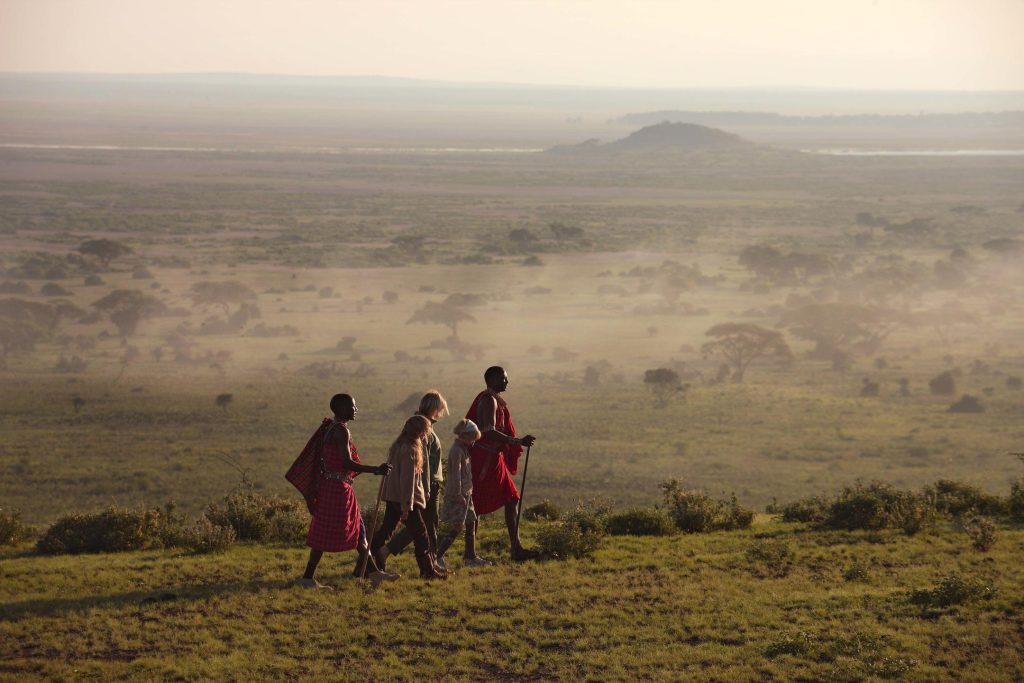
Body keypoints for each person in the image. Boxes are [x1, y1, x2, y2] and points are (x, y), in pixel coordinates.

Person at [300, 393, 395, 589]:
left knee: (357, 529)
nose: (356, 409)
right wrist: (376, 470)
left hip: (334, 487)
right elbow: (346, 462)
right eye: (353, 406)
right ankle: (308, 578)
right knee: (335, 531)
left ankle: (374, 573)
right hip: (337, 489)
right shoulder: (340, 431)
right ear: (342, 408)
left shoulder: (332, 427)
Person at [465, 366, 537, 562]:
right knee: (475, 505)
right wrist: (517, 441)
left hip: (493, 458)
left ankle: (516, 548)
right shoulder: (488, 400)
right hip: (484, 459)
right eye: (504, 378)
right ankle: (470, 554)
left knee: (511, 498)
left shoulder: (494, 399)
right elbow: (487, 431)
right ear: (493, 378)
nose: (507, 382)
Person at [374, 391, 447, 573]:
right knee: (422, 533)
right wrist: (410, 504)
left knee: (387, 530)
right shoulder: (412, 447)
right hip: (410, 495)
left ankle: (367, 562)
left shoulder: (402, 442)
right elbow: (411, 476)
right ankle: (428, 570)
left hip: (399, 496)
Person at [434, 418, 491, 570]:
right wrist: (458, 494)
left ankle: (470, 556)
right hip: (459, 495)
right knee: (457, 527)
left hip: (467, 493)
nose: (474, 441)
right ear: (465, 437)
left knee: (471, 523)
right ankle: (437, 556)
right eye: (472, 438)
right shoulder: (457, 451)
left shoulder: (463, 449)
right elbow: (455, 475)